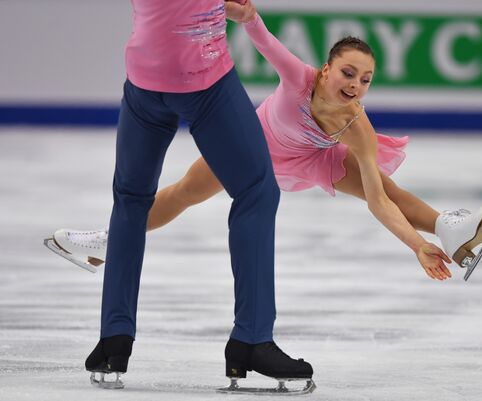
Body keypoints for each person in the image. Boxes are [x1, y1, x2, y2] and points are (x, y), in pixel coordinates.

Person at [49, 0, 482, 380]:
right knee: (185, 191)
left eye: (365, 79)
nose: (356, 85)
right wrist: (247, 18)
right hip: (258, 144)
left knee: (381, 185)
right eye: (348, 73)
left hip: (309, 159)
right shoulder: (300, 77)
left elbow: (381, 203)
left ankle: (448, 228)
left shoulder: (356, 122)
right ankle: (109, 243)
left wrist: (416, 245)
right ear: (325, 70)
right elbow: (262, 39)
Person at [47, 0, 315, 393]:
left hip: (144, 81)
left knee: (131, 200)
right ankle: (252, 339)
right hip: (202, 81)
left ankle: (113, 341)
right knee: (257, 190)